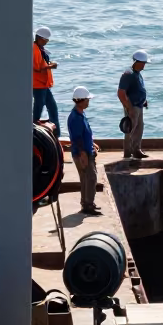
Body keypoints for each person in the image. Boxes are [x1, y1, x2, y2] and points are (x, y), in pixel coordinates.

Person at [67, 86, 101, 215]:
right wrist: (83, 154)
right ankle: (87, 205)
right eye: (87, 100)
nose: (88, 102)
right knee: (90, 178)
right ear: (80, 100)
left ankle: (88, 203)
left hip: (87, 151)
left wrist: (92, 143)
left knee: (88, 178)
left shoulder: (81, 114)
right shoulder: (75, 117)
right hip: (83, 154)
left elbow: (85, 133)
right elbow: (77, 138)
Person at [118, 50, 150, 160]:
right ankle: (128, 154)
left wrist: (143, 100)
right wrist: (129, 107)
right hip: (132, 107)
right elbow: (121, 93)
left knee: (139, 128)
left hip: (139, 106)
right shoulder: (128, 74)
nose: (144, 66)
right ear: (137, 62)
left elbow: (137, 89)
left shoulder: (137, 74)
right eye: (143, 63)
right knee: (130, 130)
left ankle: (137, 150)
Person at [32, 27, 60, 134]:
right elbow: (37, 67)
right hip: (38, 84)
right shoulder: (34, 49)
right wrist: (51, 66)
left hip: (44, 84)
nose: (47, 42)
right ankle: (34, 125)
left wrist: (49, 64)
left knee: (52, 108)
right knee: (39, 105)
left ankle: (57, 135)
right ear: (40, 38)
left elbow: (42, 62)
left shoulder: (40, 49)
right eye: (46, 40)